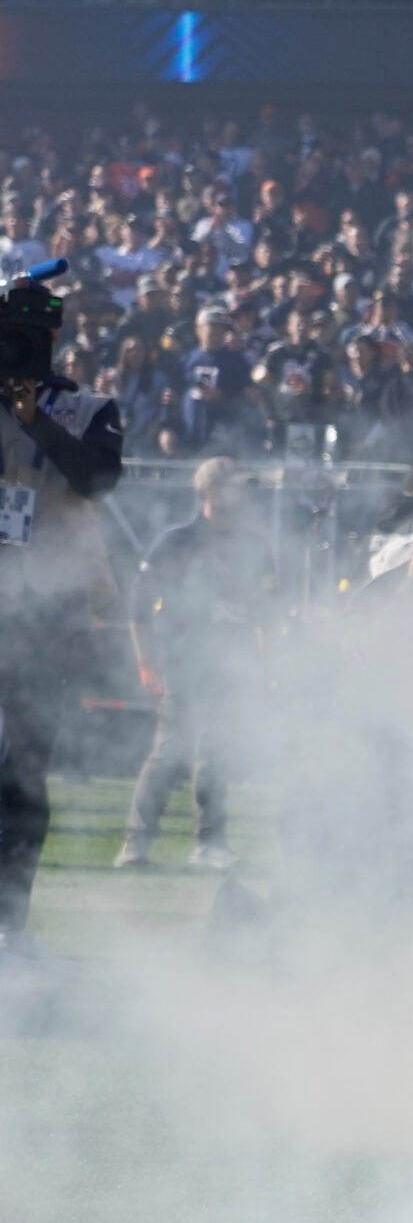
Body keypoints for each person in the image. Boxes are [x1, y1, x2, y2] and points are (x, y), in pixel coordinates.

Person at [0, 276, 123, 957]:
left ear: (49, 335)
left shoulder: (88, 407)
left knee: (22, 769)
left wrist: (34, 420)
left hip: (48, 606)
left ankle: (9, 926)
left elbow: (98, 479)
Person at [115, 457, 279, 871]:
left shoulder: (254, 547)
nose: (241, 494)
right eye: (234, 486)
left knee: (216, 753)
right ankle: (135, 846)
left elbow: (268, 613)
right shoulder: (176, 542)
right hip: (184, 664)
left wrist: (267, 666)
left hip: (233, 667)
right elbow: (138, 609)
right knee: (170, 752)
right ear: (209, 491)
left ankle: (209, 845)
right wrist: (146, 665)